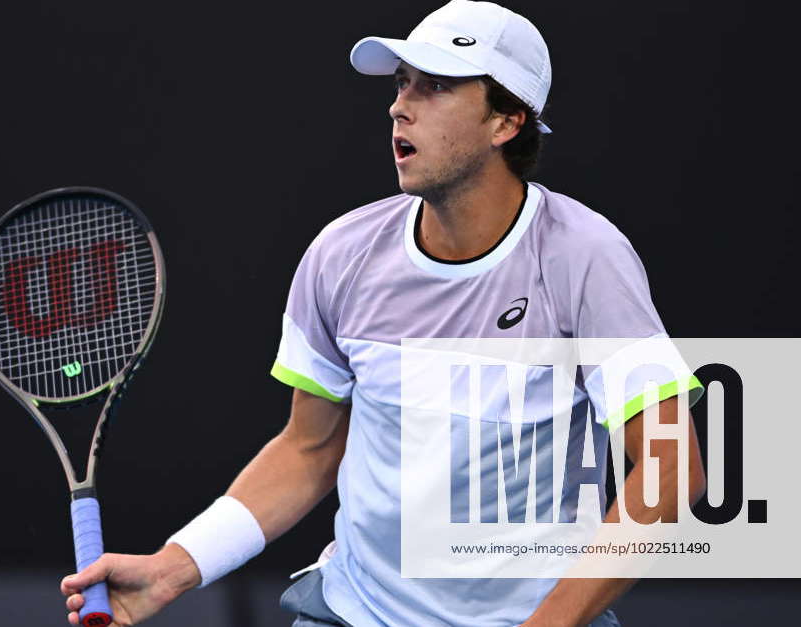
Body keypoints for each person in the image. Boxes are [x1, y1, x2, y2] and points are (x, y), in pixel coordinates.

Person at [61, 1, 707, 625]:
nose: (400, 106)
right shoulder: (343, 254)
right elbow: (308, 449)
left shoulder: (584, 257)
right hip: (356, 613)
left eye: (436, 87)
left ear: (506, 121)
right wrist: (175, 566)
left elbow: (673, 469)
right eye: (403, 84)